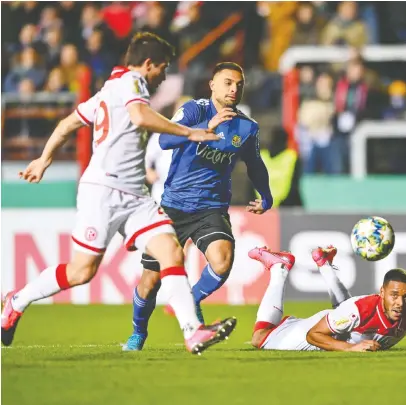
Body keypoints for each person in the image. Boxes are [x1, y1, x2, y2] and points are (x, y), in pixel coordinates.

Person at [1, 32, 237, 355]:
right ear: (148, 64)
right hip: (104, 191)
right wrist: (189, 133)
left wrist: (45, 158)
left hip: (135, 195)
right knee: (81, 271)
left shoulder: (108, 91)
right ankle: (16, 301)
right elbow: (140, 116)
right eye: (163, 68)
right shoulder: (133, 83)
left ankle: (192, 332)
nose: (164, 76)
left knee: (170, 251)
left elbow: (68, 123)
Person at [122, 62, 273, 351]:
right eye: (227, 82)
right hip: (173, 206)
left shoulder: (247, 127)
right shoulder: (194, 110)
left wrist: (266, 194)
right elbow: (165, 139)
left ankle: (189, 301)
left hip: (211, 208)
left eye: (239, 85)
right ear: (212, 85)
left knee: (223, 260)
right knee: (149, 283)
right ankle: (138, 333)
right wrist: (205, 128)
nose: (234, 89)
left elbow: (255, 164)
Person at [249, 246, 406, 352]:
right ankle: (280, 268)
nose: (400, 303)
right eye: (394, 296)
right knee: (260, 338)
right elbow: (313, 335)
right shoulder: (361, 309)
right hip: (329, 331)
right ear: (382, 293)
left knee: (347, 313)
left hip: (345, 322)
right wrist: (350, 349)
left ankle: (324, 265)